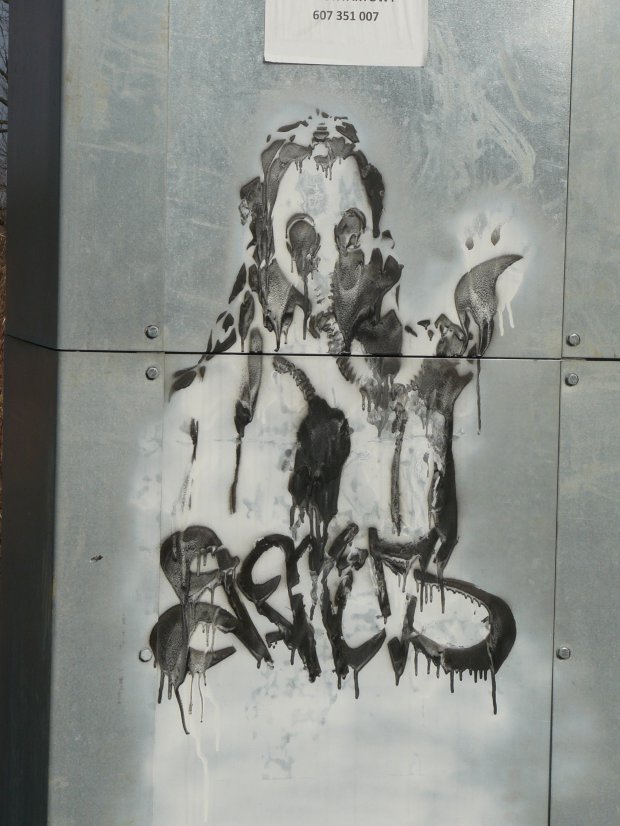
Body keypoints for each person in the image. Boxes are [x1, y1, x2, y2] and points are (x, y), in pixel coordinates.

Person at [152, 111, 521, 732]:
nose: (325, 254)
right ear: (265, 234)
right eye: (301, 232)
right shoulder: (212, 397)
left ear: (373, 234)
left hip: (382, 683)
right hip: (261, 692)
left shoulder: (410, 375)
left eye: (349, 231)